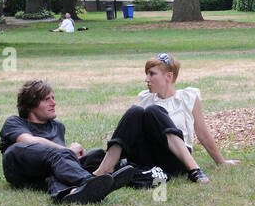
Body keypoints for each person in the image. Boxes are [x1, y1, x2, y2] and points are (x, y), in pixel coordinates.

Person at [92, 54, 238, 184]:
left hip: (174, 159)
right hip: (147, 157)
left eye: (152, 74)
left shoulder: (187, 98)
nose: (146, 79)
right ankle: (103, 170)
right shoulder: (145, 98)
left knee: (154, 110)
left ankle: (194, 170)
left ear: (168, 76)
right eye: (146, 74)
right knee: (135, 111)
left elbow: (203, 135)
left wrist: (221, 161)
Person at [0, 80, 135, 203]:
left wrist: (69, 155)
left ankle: (73, 193)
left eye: (53, 98)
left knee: (97, 155)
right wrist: (67, 151)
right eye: (47, 99)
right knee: (56, 155)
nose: (53, 103)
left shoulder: (57, 126)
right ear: (30, 105)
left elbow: (59, 163)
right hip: (19, 166)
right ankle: (91, 181)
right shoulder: (14, 122)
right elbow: (30, 140)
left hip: (42, 173)